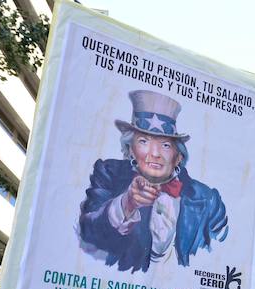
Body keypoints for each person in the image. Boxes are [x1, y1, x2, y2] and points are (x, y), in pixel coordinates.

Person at [78, 90, 228, 272]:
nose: (155, 153)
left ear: (178, 156)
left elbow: (220, 256)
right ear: (131, 149)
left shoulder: (208, 199)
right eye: (143, 141)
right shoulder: (109, 174)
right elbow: (88, 232)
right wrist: (128, 203)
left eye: (165, 145)